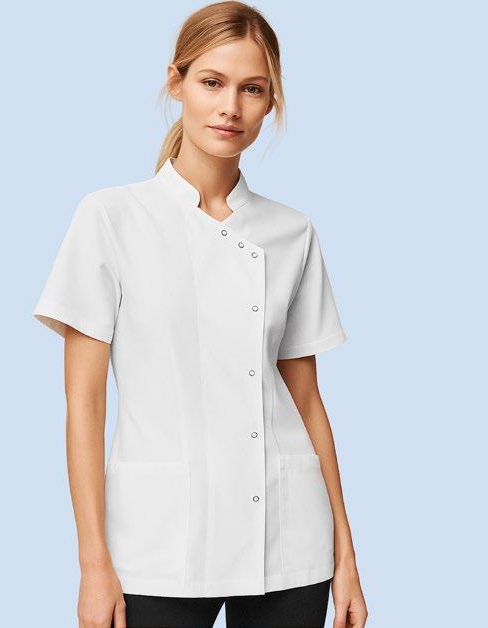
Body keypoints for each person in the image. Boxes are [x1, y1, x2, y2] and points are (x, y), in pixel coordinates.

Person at [33, 2, 368, 627]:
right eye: (212, 82)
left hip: (288, 537)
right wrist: (93, 562)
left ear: (270, 103)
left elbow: (307, 400)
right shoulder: (111, 217)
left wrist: (345, 553)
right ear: (176, 82)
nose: (230, 107)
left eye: (252, 89)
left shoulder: (292, 232)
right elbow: (85, 403)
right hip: (158, 542)